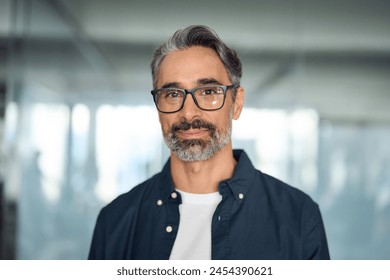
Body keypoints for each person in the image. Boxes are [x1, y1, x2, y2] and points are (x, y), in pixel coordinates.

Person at [88, 25, 330, 260]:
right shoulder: (115, 221)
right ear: (157, 106)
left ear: (236, 103)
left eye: (209, 92)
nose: (189, 113)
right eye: (173, 94)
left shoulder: (298, 217)